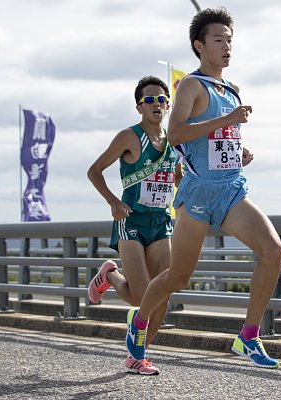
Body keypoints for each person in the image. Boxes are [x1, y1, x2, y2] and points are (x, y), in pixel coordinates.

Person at [125, 7, 281, 369]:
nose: (227, 47)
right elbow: (178, 133)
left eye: (230, 40)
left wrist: (235, 150)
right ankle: (139, 322)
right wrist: (228, 120)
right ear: (199, 46)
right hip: (197, 194)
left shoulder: (232, 89)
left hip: (230, 190)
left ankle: (248, 337)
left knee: (273, 250)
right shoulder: (192, 86)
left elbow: (213, 139)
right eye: (218, 40)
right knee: (178, 277)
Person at [87, 76, 180, 375]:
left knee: (162, 295)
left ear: (168, 104)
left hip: (160, 220)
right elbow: (94, 171)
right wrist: (113, 202)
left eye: (162, 99)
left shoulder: (173, 141)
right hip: (131, 220)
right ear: (139, 106)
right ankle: (110, 275)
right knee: (141, 296)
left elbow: (175, 178)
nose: (157, 104)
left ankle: (137, 356)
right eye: (150, 100)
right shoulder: (129, 136)